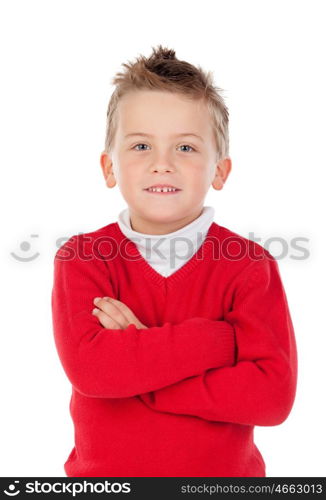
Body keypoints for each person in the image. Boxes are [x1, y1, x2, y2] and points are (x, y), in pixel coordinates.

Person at [51, 45, 298, 477]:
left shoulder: (247, 264)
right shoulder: (83, 258)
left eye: (185, 147)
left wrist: (141, 363)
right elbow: (94, 373)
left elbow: (271, 397)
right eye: (141, 145)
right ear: (110, 168)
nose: (162, 164)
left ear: (219, 171)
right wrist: (218, 341)